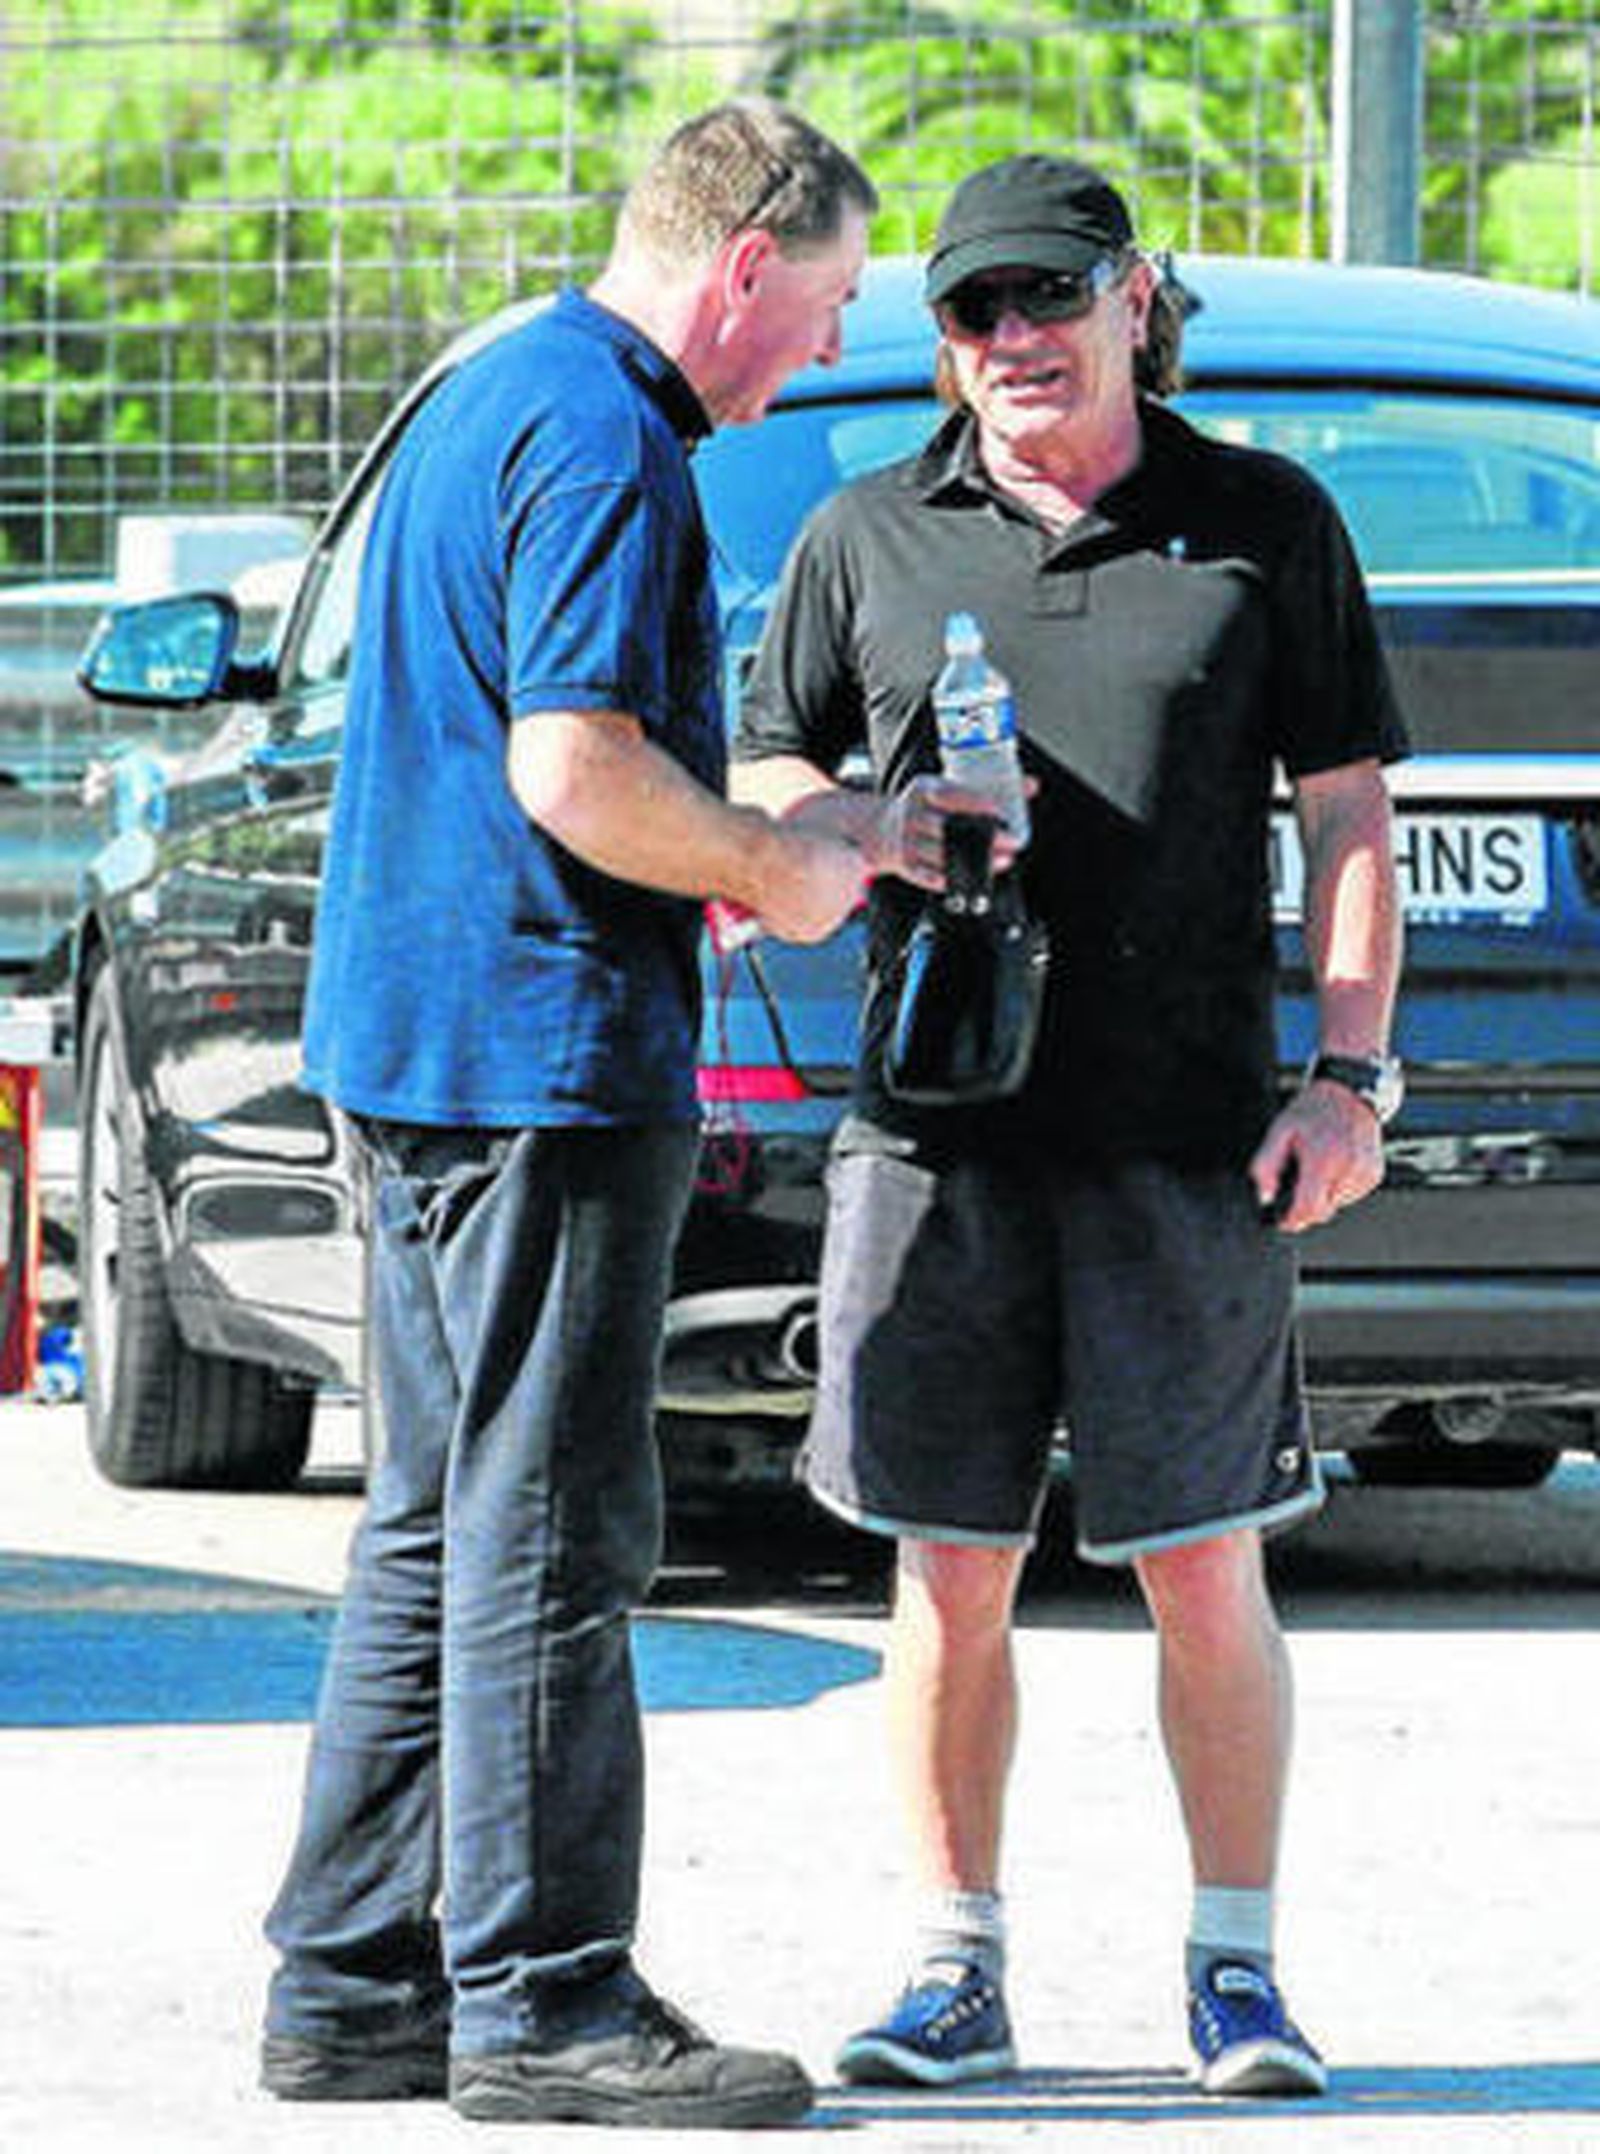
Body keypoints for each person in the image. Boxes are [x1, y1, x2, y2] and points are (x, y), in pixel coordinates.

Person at [732, 153, 1405, 2098]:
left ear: (1131, 299)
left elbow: (1350, 815)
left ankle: (1236, 1972)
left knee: (1202, 1559)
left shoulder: (1260, 523)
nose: (1014, 336)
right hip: (935, 1137)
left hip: (1186, 1137)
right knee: (947, 1567)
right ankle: (952, 1969)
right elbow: (764, 769)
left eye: (1049, 295)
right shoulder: (864, 534)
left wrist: (1348, 1077)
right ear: (941, 340)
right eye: (974, 309)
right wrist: (865, 827)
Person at [260, 100, 876, 2132]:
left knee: (435, 1523)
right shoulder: (609, 436)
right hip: (537, 1059)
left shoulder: (493, 387)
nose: (823, 348)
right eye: (825, 304)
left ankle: (353, 1984)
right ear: (742, 266)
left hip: (421, 1042)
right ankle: (545, 2002)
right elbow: (575, 766)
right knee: (546, 1531)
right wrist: (773, 870)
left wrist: (751, 846)